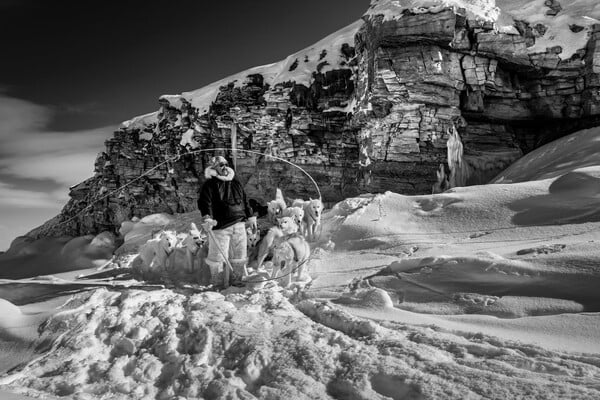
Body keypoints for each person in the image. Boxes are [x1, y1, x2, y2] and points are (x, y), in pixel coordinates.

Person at [198, 156, 257, 287]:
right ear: (214, 168)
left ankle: (236, 281)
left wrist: (251, 217)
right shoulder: (209, 185)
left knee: (239, 256)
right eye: (221, 165)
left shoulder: (236, 182)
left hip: (240, 224)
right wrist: (207, 217)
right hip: (220, 226)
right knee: (217, 258)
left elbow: (245, 200)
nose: (224, 167)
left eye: (225, 164)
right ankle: (217, 284)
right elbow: (204, 203)